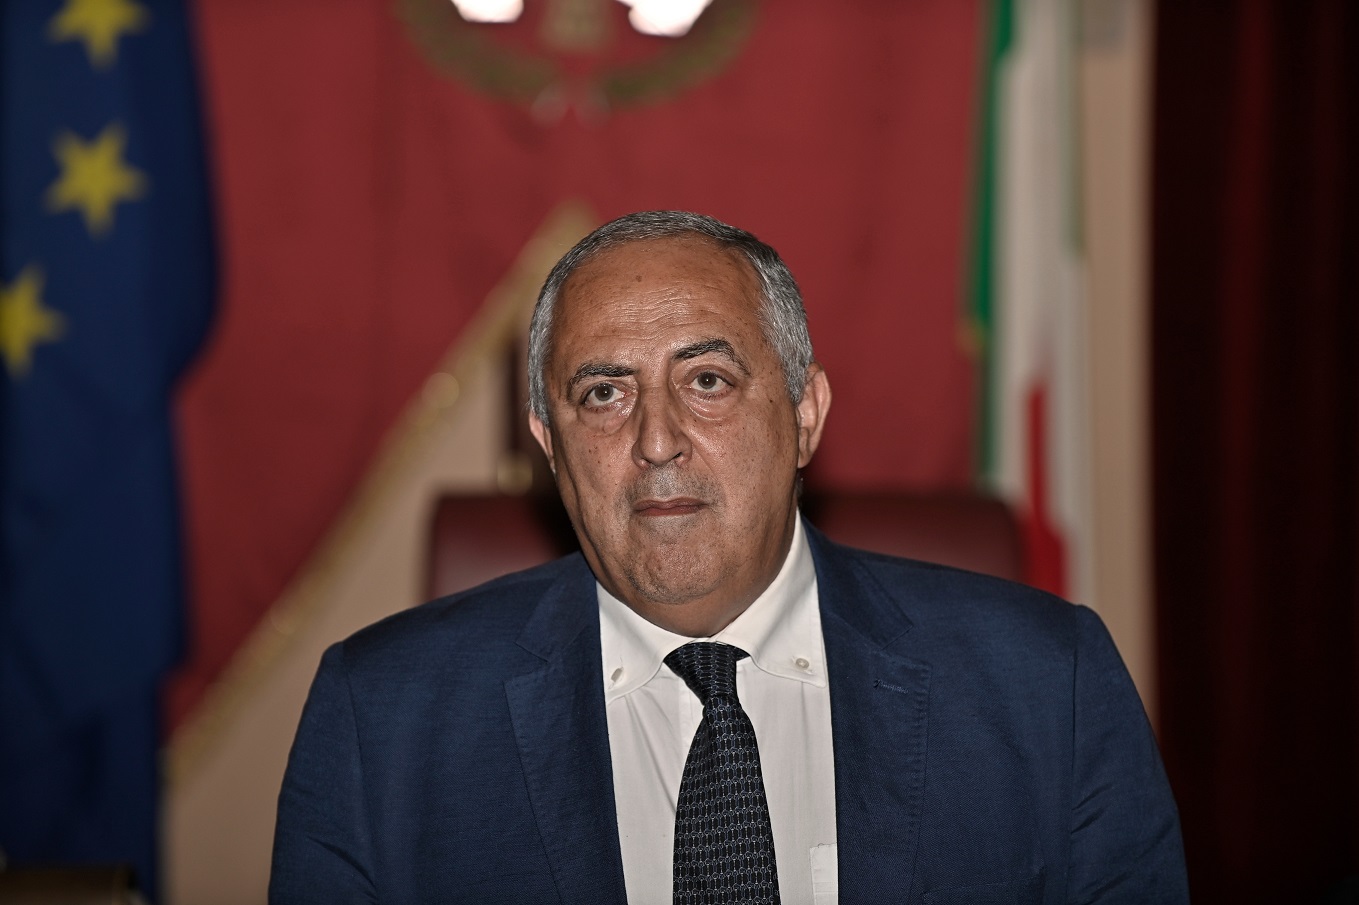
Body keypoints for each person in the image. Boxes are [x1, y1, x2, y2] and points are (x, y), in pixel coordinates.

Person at [270, 211, 1188, 904]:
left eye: (706, 380)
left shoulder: (1047, 685)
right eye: (603, 393)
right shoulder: (380, 719)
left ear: (804, 415)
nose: (656, 440)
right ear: (549, 444)